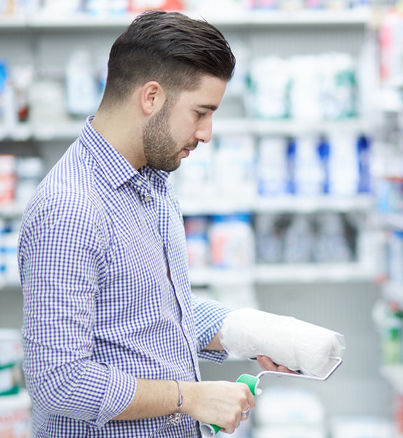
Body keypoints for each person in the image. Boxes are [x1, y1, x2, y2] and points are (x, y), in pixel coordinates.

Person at [18, 10, 294, 437]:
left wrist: (253, 332)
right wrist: (190, 397)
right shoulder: (70, 208)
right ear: (151, 97)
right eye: (201, 112)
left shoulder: (151, 181)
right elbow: (59, 381)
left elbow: (150, 310)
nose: (206, 133)